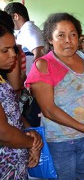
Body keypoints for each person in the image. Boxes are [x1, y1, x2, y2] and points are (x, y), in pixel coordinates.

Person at [25, 12, 84, 180]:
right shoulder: (44, 65)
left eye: (73, 34)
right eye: (61, 35)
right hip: (61, 142)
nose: (68, 40)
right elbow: (48, 110)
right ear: (49, 39)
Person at [0, 22, 43, 179]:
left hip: (15, 161)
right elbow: (4, 132)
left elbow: (12, 113)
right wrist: (32, 143)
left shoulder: (1, 78)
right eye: (5, 50)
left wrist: (31, 133)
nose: (13, 55)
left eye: (14, 48)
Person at [5, 2, 45, 127]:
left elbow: (39, 54)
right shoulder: (24, 31)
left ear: (16, 16)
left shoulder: (29, 30)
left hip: (31, 85)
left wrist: (32, 80)